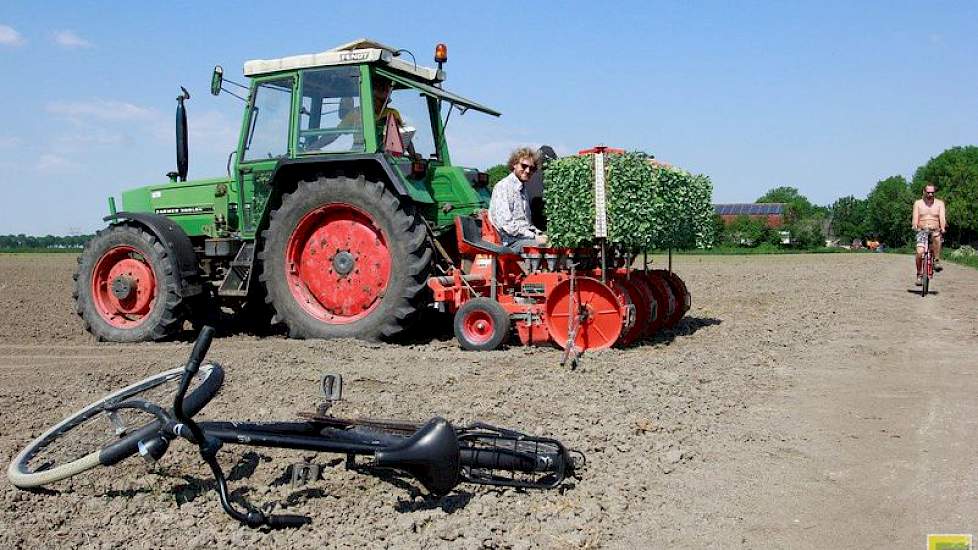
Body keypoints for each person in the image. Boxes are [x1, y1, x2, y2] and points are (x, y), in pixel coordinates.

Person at [488, 147, 548, 252]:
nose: (528, 170)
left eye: (532, 168)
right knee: (546, 247)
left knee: (553, 243)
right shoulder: (503, 187)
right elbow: (506, 224)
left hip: (521, 238)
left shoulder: (523, 189)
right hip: (510, 241)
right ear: (514, 164)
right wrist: (534, 237)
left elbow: (526, 224)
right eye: (524, 166)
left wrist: (539, 233)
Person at [911, 183, 946, 285]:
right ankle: (919, 275)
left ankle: (936, 260)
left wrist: (942, 228)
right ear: (924, 192)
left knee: (937, 237)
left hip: (935, 230)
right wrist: (915, 226)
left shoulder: (940, 203)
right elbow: (915, 218)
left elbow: (942, 218)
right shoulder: (918, 203)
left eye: (932, 192)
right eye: (928, 192)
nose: (930, 194)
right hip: (922, 230)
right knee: (919, 253)